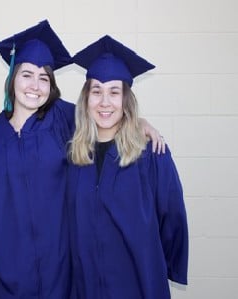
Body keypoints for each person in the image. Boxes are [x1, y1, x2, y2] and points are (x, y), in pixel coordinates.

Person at [0, 20, 165, 299]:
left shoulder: (65, 120)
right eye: (26, 75)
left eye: (44, 77)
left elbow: (103, 113)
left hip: (62, 273)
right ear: (12, 79)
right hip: (7, 274)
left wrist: (138, 121)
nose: (35, 85)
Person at [67, 35, 188, 299]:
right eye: (96, 91)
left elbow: (173, 216)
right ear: (86, 99)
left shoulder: (151, 154)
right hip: (85, 285)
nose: (105, 102)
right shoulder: (73, 156)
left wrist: (155, 266)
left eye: (114, 92)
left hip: (138, 282)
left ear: (126, 100)